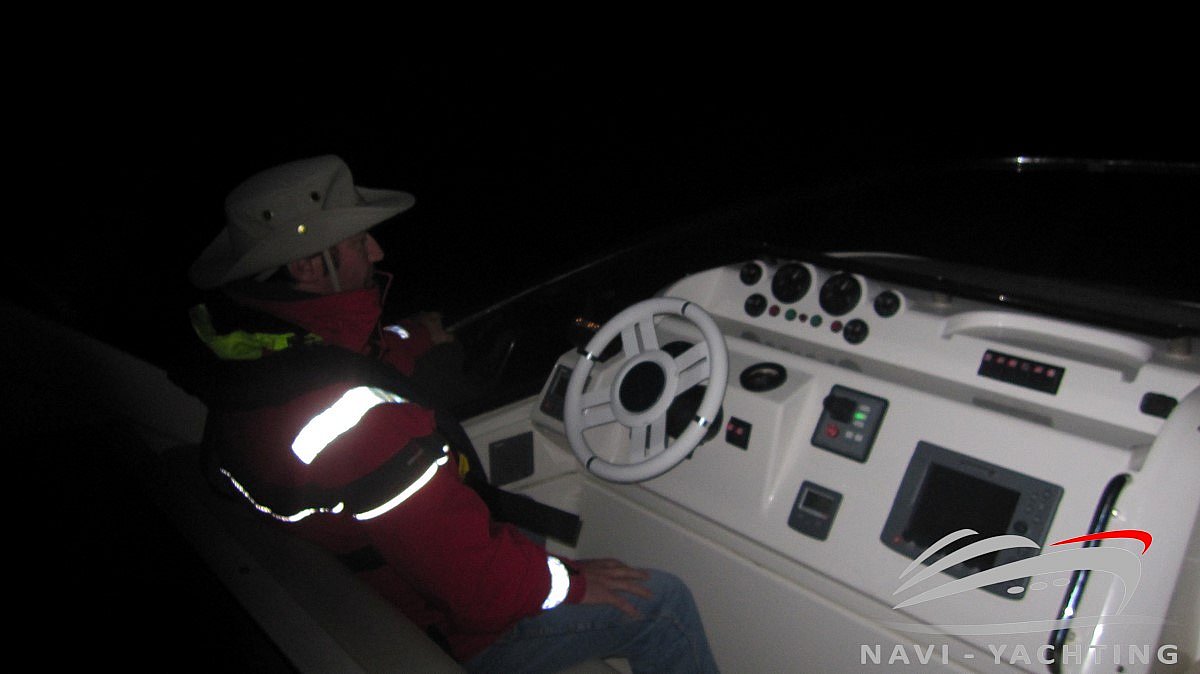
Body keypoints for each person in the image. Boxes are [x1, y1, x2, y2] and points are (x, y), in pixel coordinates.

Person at [181, 154, 719, 673]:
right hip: (433, 626)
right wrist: (571, 583)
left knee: (524, 523)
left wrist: (416, 336)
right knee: (662, 605)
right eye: (358, 241)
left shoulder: (256, 357)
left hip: (358, 581)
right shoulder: (364, 424)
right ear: (306, 265)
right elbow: (475, 591)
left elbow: (351, 360)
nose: (376, 250)